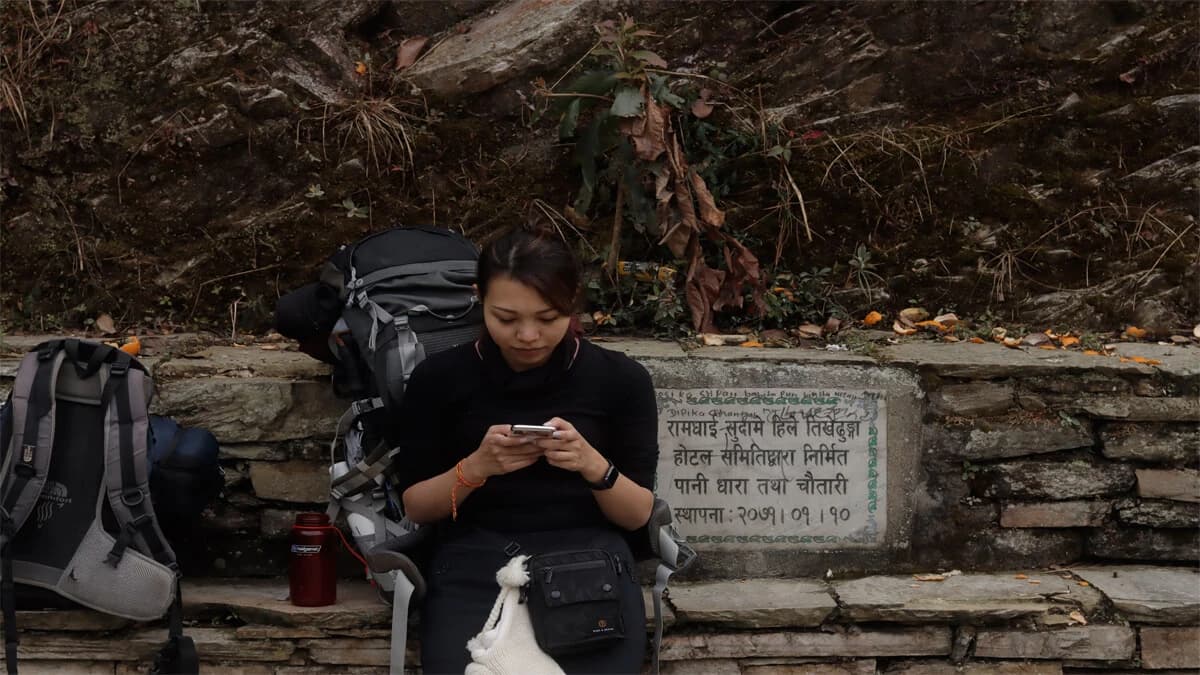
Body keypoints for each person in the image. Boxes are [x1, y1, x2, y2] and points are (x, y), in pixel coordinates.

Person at [394, 225, 659, 674]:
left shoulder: (620, 380)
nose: (528, 335)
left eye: (548, 317)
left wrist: (593, 465)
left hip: (590, 562)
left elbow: (637, 515)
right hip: (474, 559)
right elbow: (417, 507)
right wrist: (476, 468)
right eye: (507, 318)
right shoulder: (439, 379)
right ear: (480, 299)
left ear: (573, 301)